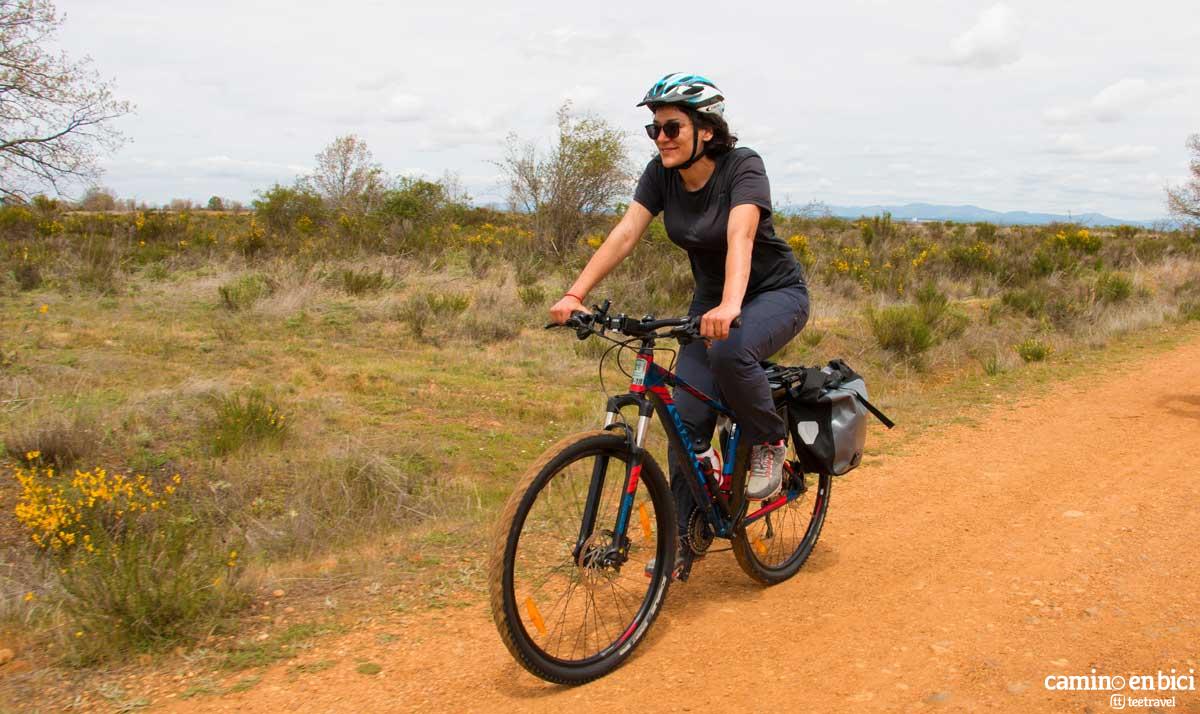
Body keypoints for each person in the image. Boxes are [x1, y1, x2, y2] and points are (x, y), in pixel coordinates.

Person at [549, 72, 810, 576]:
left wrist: (732, 304)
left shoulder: (743, 167)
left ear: (706, 129)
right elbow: (626, 233)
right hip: (711, 302)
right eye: (654, 130)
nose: (661, 138)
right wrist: (574, 293)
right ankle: (685, 541)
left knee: (731, 351)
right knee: (684, 421)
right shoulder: (660, 174)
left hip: (773, 293)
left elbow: (742, 236)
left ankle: (771, 440)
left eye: (671, 127)